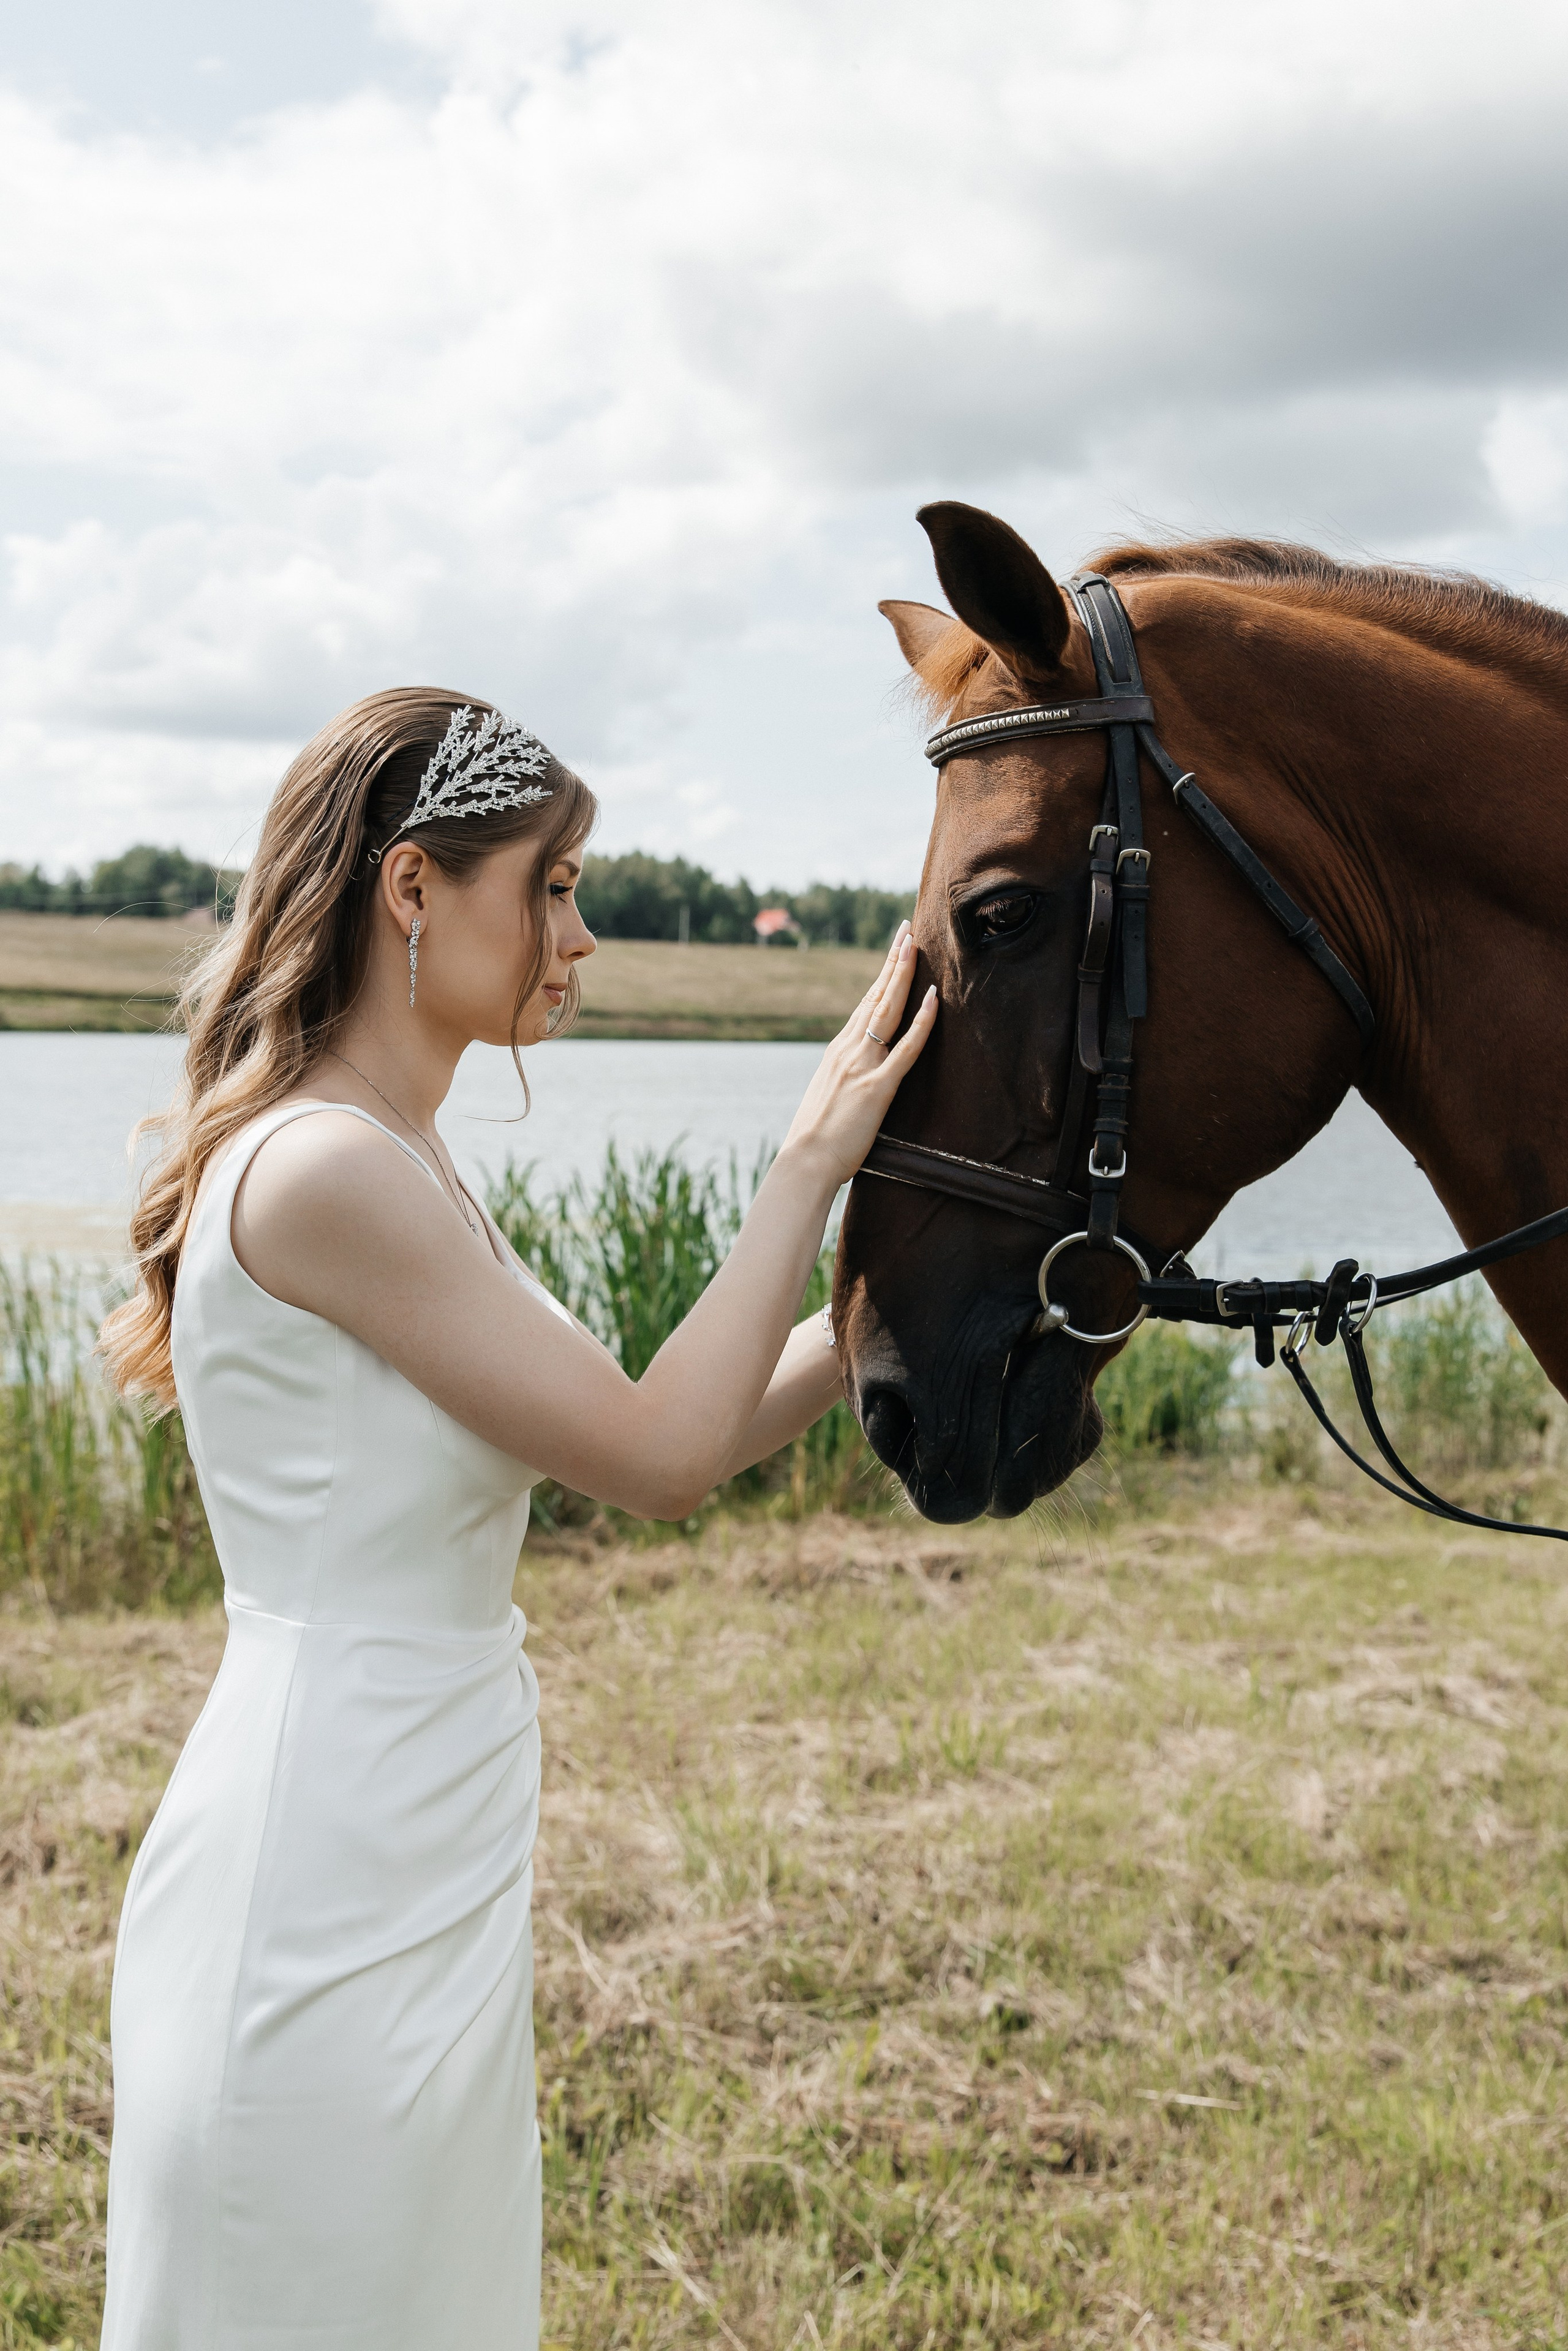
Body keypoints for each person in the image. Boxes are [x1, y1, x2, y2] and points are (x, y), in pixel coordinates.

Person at [96, 687, 936, 2350]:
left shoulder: (395, 1159)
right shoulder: (325, 1173)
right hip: (320, 1877)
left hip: (415, 1833)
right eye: (549, 885)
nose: (583, 934)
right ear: (414, 890)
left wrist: (902, 1311)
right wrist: (807, 1164)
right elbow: (660, 1459)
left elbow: (654, 1427)